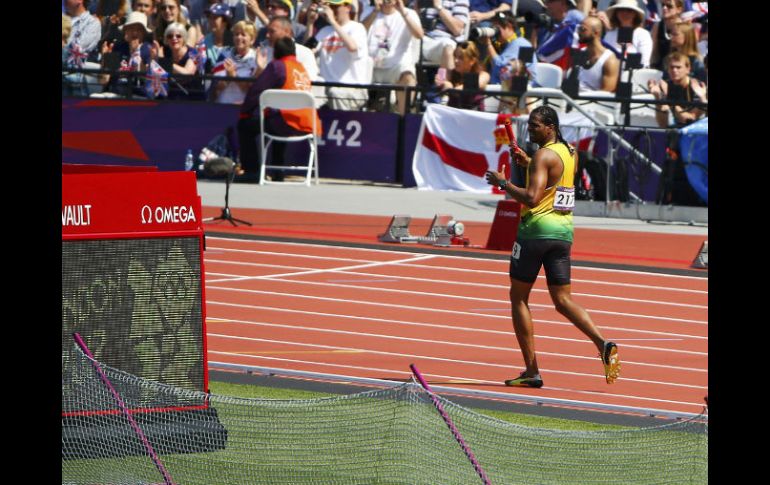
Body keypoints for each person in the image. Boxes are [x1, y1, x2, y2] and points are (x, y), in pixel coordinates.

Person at [483, 105, 620, 388]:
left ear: (551, 127)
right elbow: (551, 176)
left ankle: (532, 371)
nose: (530, 129)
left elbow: (532, 198)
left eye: (535, 125)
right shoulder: (569, 153)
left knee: (518, 298)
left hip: (534, 233)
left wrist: (503, 182)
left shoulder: (542, 156)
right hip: (562, 233)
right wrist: (530, 162)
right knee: (563, 301)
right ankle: (602, 342)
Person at [237, 36, 323, 181]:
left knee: (245, 126)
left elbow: (256, 91)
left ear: (276, 52)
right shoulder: (301, 68)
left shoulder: (277, 66)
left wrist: (245, 112)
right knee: (277, 120)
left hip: (287, 121)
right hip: (308, 124)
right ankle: (278, 172)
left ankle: (251, 171)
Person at [363, 0, 424, 114]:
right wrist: (375, 12)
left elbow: (419, 35)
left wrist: (402, 12)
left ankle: (403, 118)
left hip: (395, 66)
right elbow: (359, 32)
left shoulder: (409, 13)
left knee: (408, 77)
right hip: (371, 66)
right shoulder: (368, 11)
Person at [312, 0, 371, 110]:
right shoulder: (324, 31)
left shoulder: (357, 28)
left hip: (351, 88)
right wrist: (310, 23)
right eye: (330, 7)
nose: (332, 10)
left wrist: (333, 22)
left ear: (347, 7)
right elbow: (309, 51)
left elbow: (352, 47)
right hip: (326, 87)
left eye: (335, 7)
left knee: (335, 93)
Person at [648, 51, 706, 128]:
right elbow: (662, 125)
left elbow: (689, 119)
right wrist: (658, 98)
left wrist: (669, 99)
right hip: (675, 129)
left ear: (688, 69)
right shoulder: (665, 86)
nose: (674, 70)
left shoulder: (697, 87)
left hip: (696, 130)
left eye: (678, 67)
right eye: (671, 67)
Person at [210, 20, 259, 104]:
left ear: (252, 40)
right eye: (236, 34)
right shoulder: (224, 54)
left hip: (244, 109)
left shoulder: (256, 58)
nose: (239, 37)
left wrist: (234, 76)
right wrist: (228, 78)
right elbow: (215, 88)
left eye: (243, 35)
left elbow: (252, 90)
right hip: (223, 106)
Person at [482, 11, 536, 85]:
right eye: (492, 28)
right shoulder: (507, 45)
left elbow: (502, 70)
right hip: (502, 91)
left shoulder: (523, 45)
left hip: (517, 92)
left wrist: (488, 44)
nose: (495, 32)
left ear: (509, 26)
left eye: (497, 28)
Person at [417, 0, 471, 71]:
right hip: (421, 39)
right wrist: (416, 10)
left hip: (443, 41)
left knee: (448, 48)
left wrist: (438, 7)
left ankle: (442, 79)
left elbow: (457, 30)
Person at [435, 41, 489, 110]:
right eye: (455, 56)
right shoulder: (451, 72)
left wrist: (451, 89)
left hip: (473, 116)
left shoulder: (483, 75)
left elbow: (473, 85)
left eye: (461, 58)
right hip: (453, 115)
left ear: (472, 60)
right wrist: (440, 82)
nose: (456, 60)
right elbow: (442, 80)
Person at [535, 0, 584, 70]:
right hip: (546, 68)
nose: (546, 5)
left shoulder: (576, 17)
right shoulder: (548, 21)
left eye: (550, 1)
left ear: (563, 3)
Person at [602, 0, 652, 68]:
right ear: (616, 13)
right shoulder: (609, 35)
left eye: (629, 10)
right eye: (621, 10)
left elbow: (644, 62)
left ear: (635, 14)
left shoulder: (643, 35)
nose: (625, 13)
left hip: (635, 75)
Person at [575, 15, 618, 92]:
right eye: (579, 29)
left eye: (583, 29)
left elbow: (605, 94)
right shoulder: (579, 53)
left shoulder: (609, 60)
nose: (578, 32)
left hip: (592, 103)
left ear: (596, 33)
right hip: (571, 100)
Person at [650, 0, 683, 70]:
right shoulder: (657, 26)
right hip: (661, 67)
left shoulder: (684, 27)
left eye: (669, 6)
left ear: (679, 9)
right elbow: (654, 53)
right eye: (663, 5)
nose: (664, 8)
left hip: (678, 67)